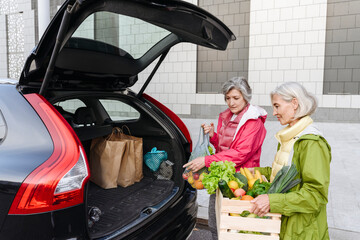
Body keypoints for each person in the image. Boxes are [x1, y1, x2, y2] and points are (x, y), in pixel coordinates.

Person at [183, 76, 267, 240]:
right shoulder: (227, 116)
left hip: (240, 180)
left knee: (233, 227)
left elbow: (240, 153)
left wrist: (206, 160)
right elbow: (224, 145)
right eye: (228, 98)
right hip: (222, 176)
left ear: (245, 97)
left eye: (236, 98)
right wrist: (213, 136)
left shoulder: (253, 122)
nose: (231, 102)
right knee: (215, 222)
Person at [250, 82, 331, 240]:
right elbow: (287, 173)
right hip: (288, 225)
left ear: (294, 103)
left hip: (304, 231)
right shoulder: (290, 135)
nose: (274, 112)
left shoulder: (311, 143)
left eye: (277, 106)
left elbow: (316, 196)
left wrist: (273, 201)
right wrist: (257, 171)